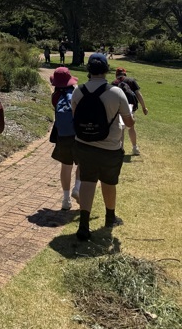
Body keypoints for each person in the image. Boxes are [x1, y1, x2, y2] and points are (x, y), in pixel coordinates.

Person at [71, 53, 134, 241]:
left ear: (89, 70)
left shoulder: (78, 91)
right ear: (106, 70)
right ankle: (110, 217)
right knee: (109, 182)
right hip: (110, 148)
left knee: (88, 181)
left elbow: (75, 117)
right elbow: (129, 123)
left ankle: (83, 225)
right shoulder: (116, 92)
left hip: (84, 145)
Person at [49, 66, 80, 210]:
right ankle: (77, 187)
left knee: (66, 166)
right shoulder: (75, 92)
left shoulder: (55, 97)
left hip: (63, 135)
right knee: (81, 163)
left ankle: (66, 199)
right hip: (77, 133)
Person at [113, 67, 148, 155]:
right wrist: (144, 107)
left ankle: (120, 149)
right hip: (130, 106)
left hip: (118, 106)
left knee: (121, 128)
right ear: (125, 73)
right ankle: (135, 148)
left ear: (116, 75)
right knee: (131, 127)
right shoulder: (131, 81)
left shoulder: (114, 83)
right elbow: (138, 94)